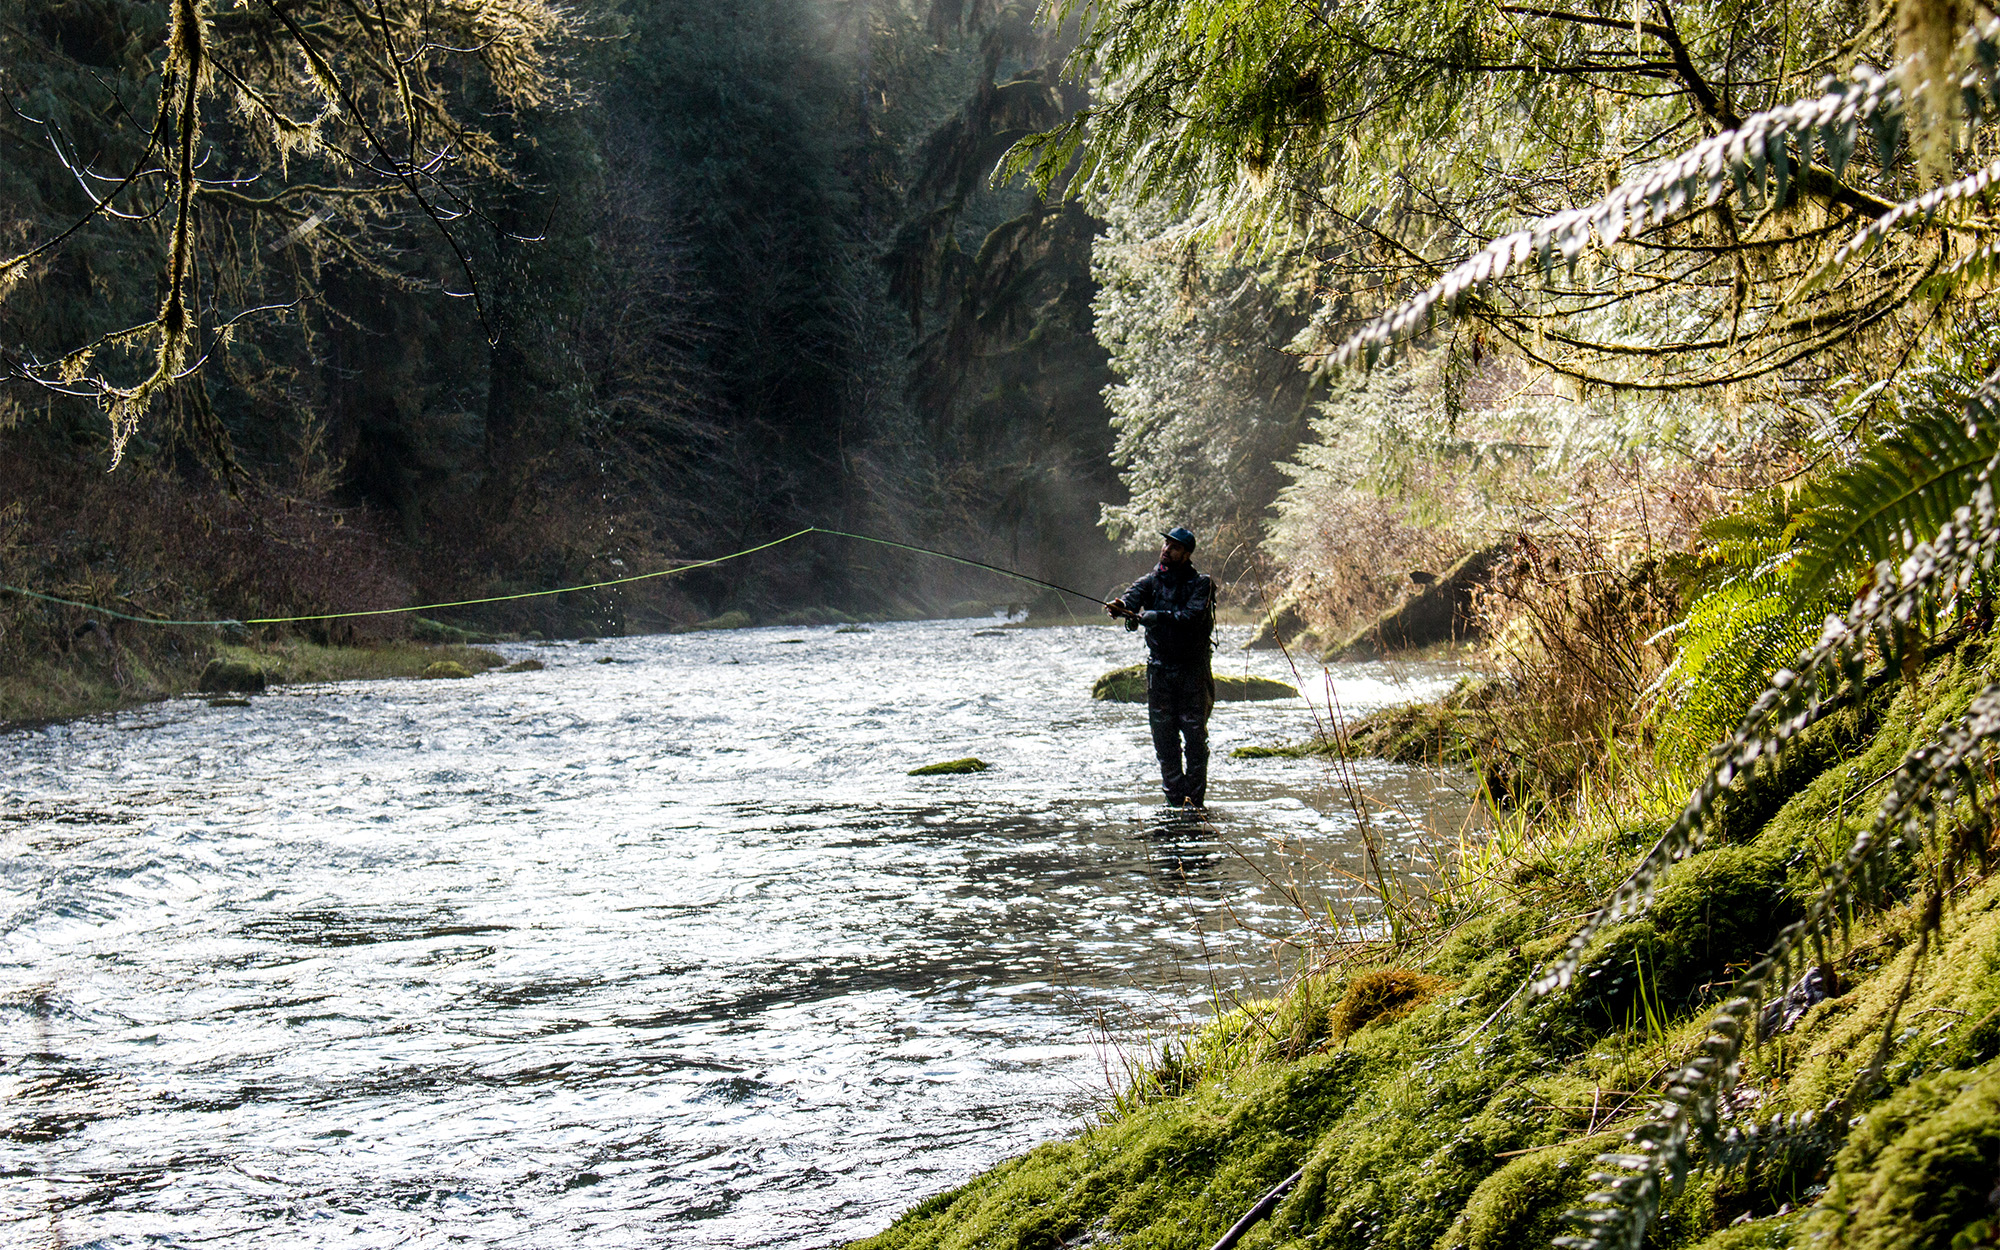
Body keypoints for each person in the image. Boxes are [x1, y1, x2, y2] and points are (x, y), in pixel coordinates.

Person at [1106, 527, 1216, 808]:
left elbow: (1191, 617)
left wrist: (1157, 616)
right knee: (1164, 739)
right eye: (1166, 544)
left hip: (1193, 671)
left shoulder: (1202, 584)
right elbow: (1130, 601)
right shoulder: (1149, 582)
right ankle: (1175, 802)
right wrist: (1120, 608)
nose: (1167, 550)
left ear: (1187, 554)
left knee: (1194, 737)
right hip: (1159, 672)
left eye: (1175, 547)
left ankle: (1195, 803)